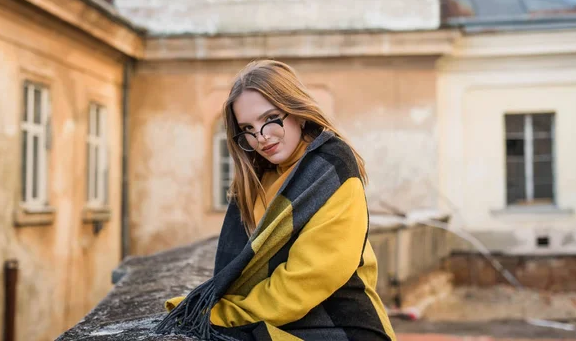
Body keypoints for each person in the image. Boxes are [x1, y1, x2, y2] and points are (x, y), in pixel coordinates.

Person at [156, 60, 396, 341]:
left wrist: (215, 314)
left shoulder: (331, 168)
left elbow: (303, 282)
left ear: (298, 112)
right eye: (248, 128)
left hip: (344, 325)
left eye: (270, 119)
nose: (261, 137)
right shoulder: (259, 177)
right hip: (283, 320)